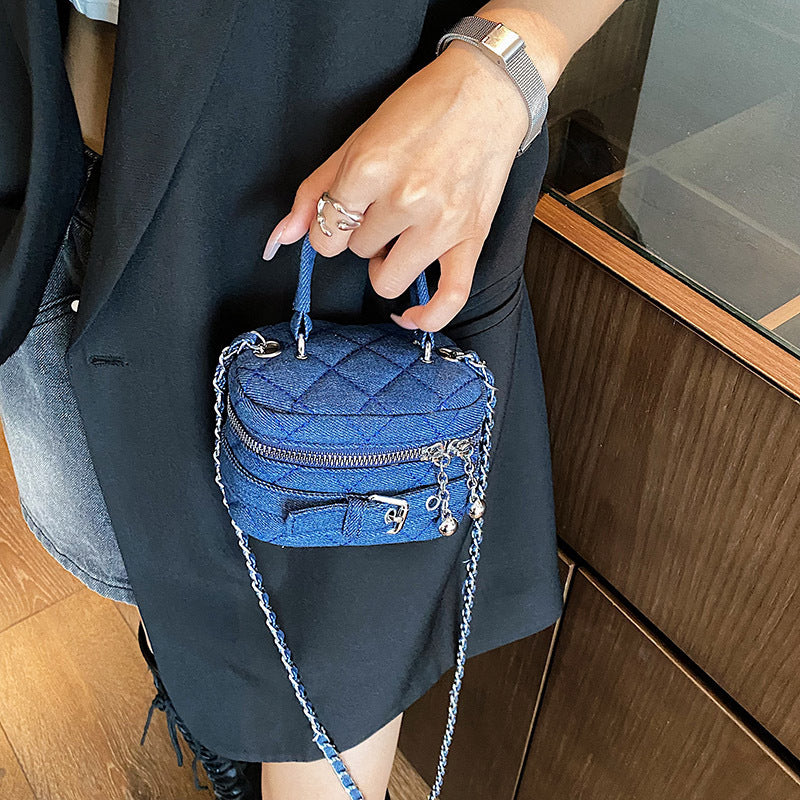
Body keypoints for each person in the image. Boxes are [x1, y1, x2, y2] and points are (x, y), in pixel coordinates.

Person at [0, 1, 623, 798]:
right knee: (166, 574)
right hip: (55, 130)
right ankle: (217, 721)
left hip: (356, 149)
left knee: (342, 653)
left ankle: (235, 729)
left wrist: (517, 51)